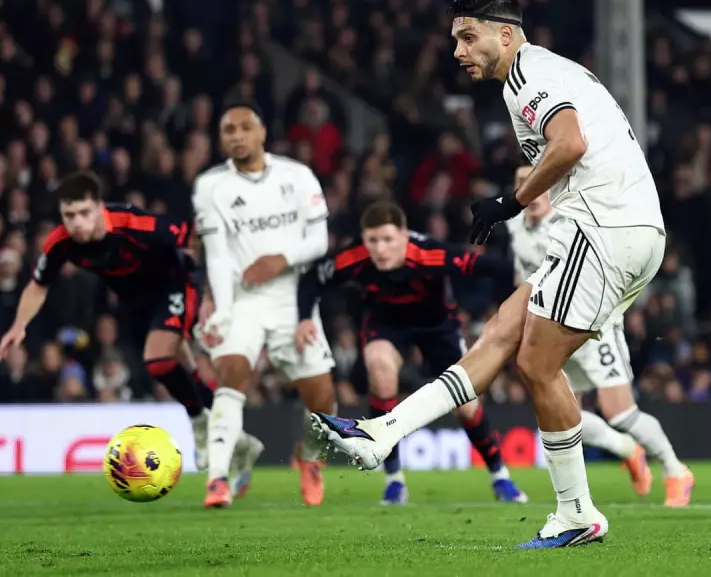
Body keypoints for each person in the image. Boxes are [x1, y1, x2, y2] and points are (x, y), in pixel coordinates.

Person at [310, 0, 681, 549]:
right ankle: (381, 433)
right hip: (624, 230)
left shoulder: (529, 74)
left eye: (467, 36)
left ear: (503, 33)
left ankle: (577, 512)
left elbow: (570, 142)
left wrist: (510, 201)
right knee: (504, 330)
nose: (458, 51)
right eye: (455, 39)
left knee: (535, 364)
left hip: (604, 228)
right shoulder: (539, 72)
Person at [0, 171, 262, 492]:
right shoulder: (61, 243)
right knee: (182, 369)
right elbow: (39, 286)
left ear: (99, 208)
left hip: (175, 282)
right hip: (136, 304)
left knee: (158, 360)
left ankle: (199, 425)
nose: (77, 223)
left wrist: (210, 294)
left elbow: (199, 238)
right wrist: (18, 326)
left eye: (84, 213)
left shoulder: (133, 223)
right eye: (69, 215)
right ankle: (239, 441)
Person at [295, 200, 527, 505]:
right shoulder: (353, 257)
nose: (380, 248)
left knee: (467, 406)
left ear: (405, 235)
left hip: (438, 328)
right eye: (373, 240)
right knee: (379, 368)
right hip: (386, 325)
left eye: (388, 239)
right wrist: (304, 318)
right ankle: (393, 480)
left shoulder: (431, 253)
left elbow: (486, 266)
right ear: (364, 239)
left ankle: (499, 475)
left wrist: (525, 282)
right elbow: (313, 279)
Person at [506, 165, 693, 507]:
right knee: (561, 412)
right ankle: (626, 449)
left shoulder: (569, 220)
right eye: (521, 185)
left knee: (620, 412)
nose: (530, 192)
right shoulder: (514, 226)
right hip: (551, 327)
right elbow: (523, 279)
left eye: (535, 183)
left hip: (593, 326)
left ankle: (675, 469)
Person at [193, 99, 335, 509]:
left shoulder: (297, 175)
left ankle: (308, 458)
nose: (236, 136)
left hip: (293, 297)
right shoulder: (210, 187)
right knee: (231, 372)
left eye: (243, 128)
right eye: (228, 131)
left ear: (261, 133)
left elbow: (320, 241)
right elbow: (217, 256)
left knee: (322, 395)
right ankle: (217, 479)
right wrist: (220, 308)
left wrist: (279, 259)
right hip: (241, 300)